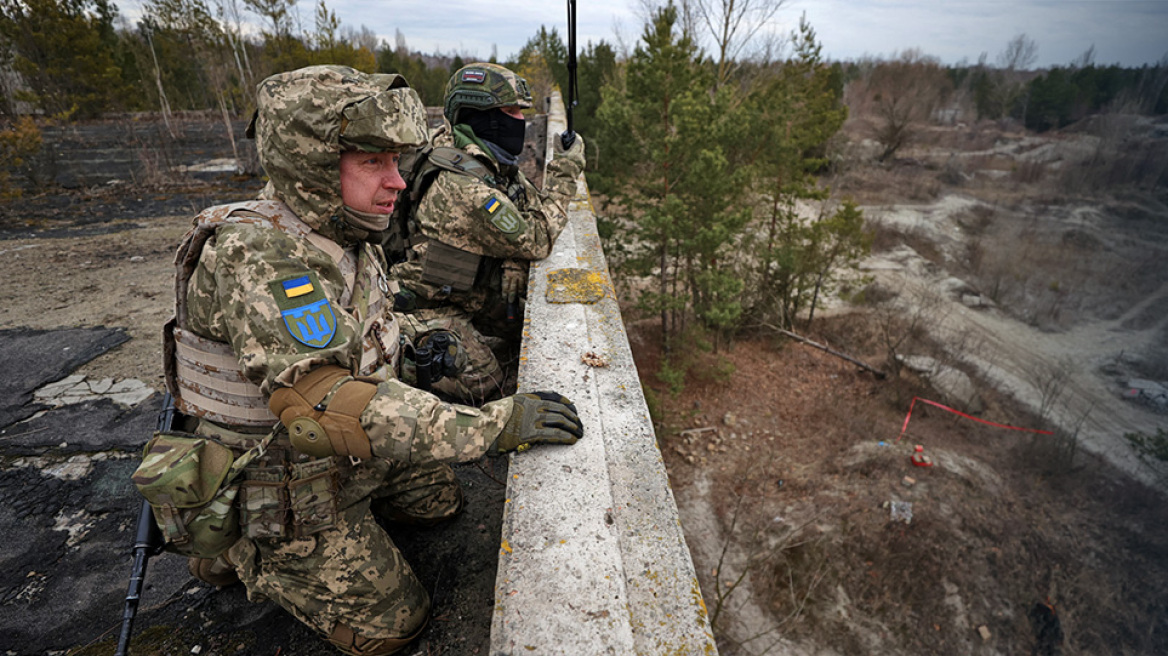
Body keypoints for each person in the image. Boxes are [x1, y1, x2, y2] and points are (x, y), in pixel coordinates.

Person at [163, 65, 583, 656]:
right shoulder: (262, 257)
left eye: (395, 162)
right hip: (285, 470)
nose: (396, 182)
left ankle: (339, 518)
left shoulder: (344, 231)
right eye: (372, 163)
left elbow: (363, 326)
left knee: (440, 507)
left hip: (349, 453)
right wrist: (494, 427)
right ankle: (248, 551)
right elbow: (323, 403)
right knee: (394, 629)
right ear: (311, 163)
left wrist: (413, 339)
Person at [384, 62, 586, 405]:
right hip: (425, 303)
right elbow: (537, 238)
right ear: (478, 117)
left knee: (523, 328)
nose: (519, 120)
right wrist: (565, 171)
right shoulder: (462, 186)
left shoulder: (481, 160)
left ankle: (464, 339)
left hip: (464, 290)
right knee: (487, 382)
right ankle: (400, 356)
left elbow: (530, 204)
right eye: (509, 111)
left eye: (521, 111)